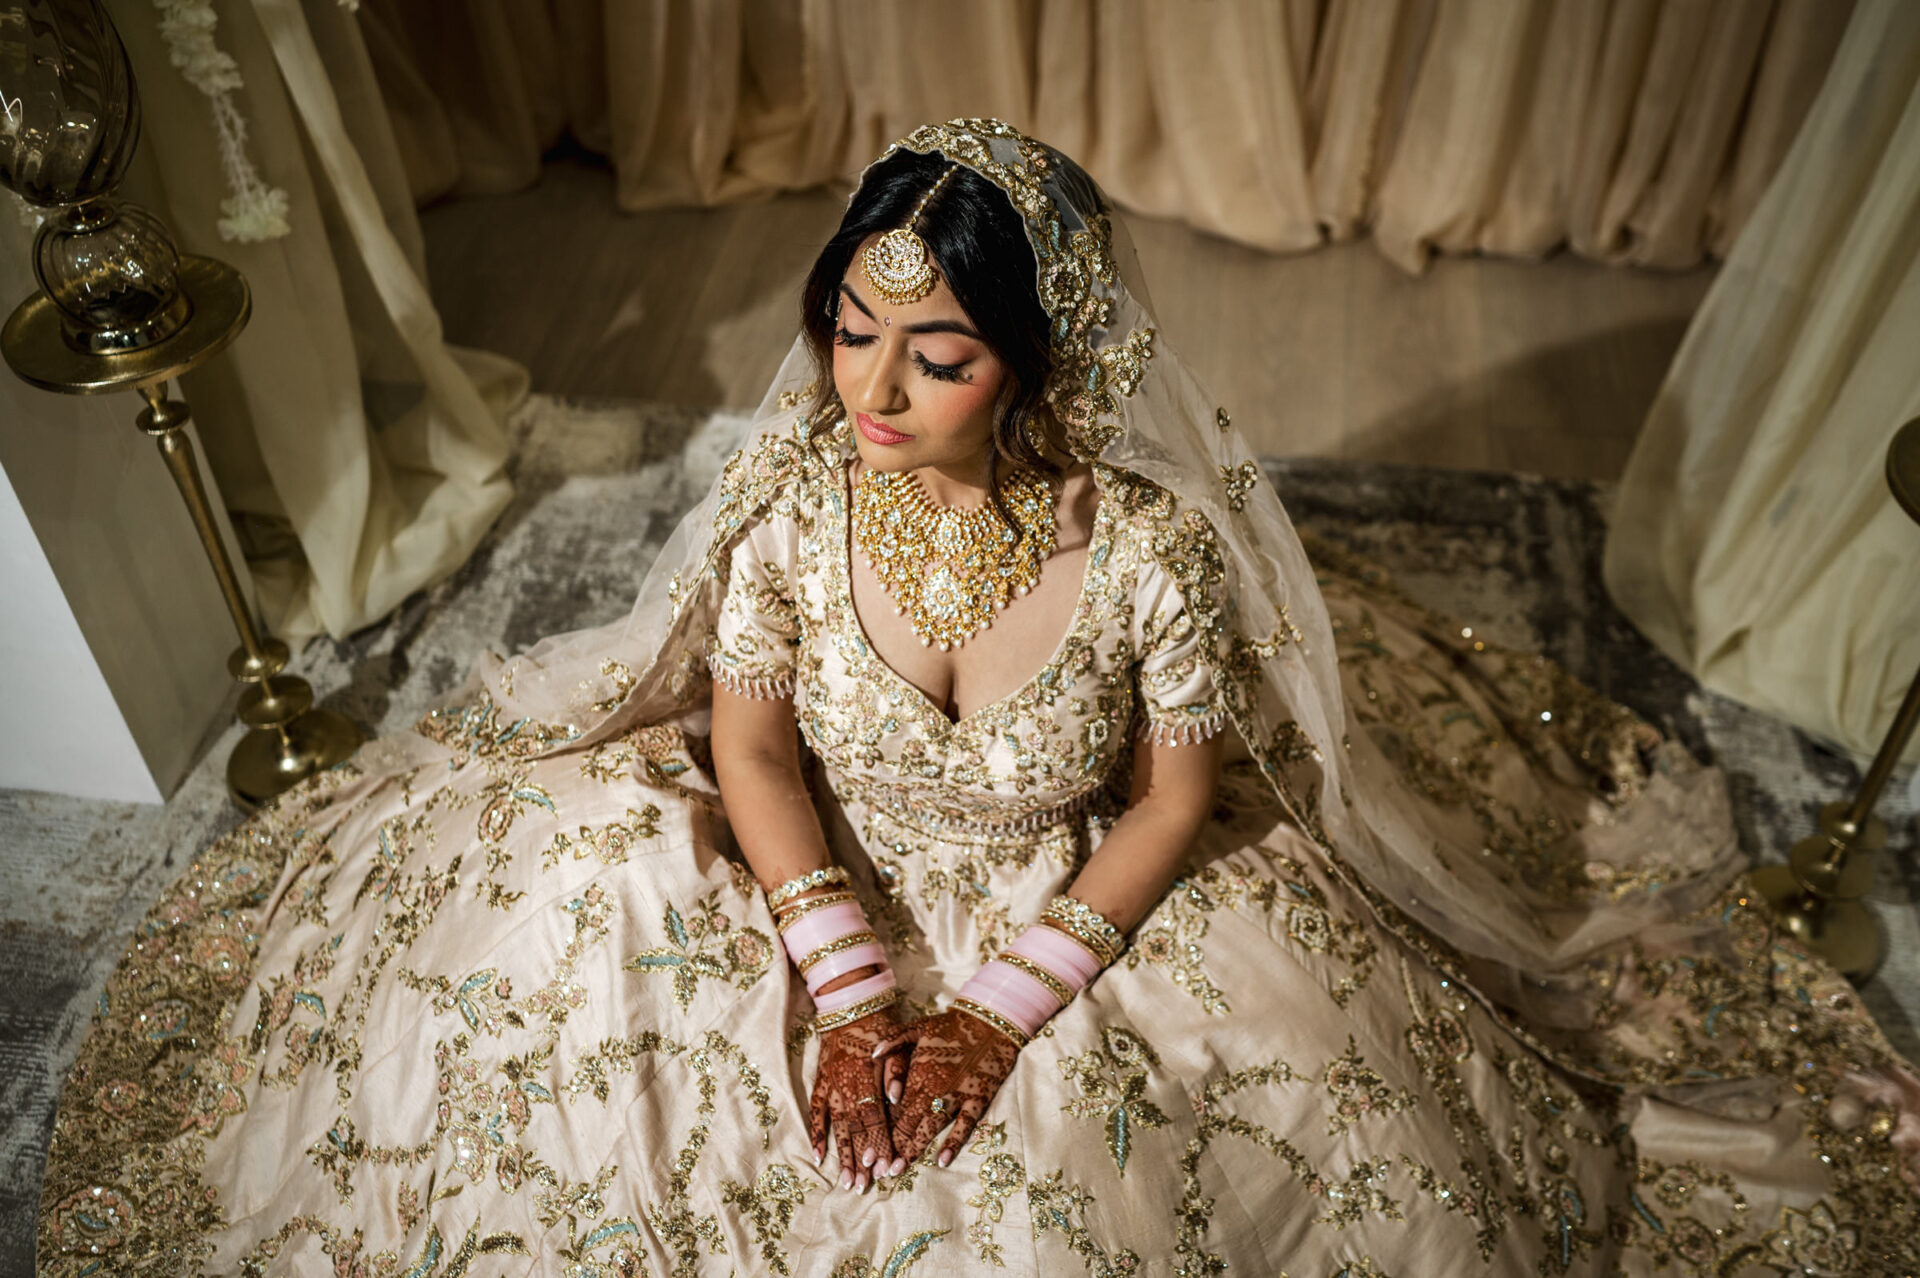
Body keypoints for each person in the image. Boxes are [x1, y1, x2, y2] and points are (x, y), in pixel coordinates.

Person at [37, 120, 1920, 1277]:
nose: (872, 384)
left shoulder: (1152, 555)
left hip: (1065, 885)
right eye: (848, 331)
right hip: (810, 857)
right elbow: (748, 741)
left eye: (935, 352)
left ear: (1033, 362)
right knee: (553, 957)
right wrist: (851, 984)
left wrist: (1002, 1014)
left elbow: (1178, 802)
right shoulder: (794, 498)